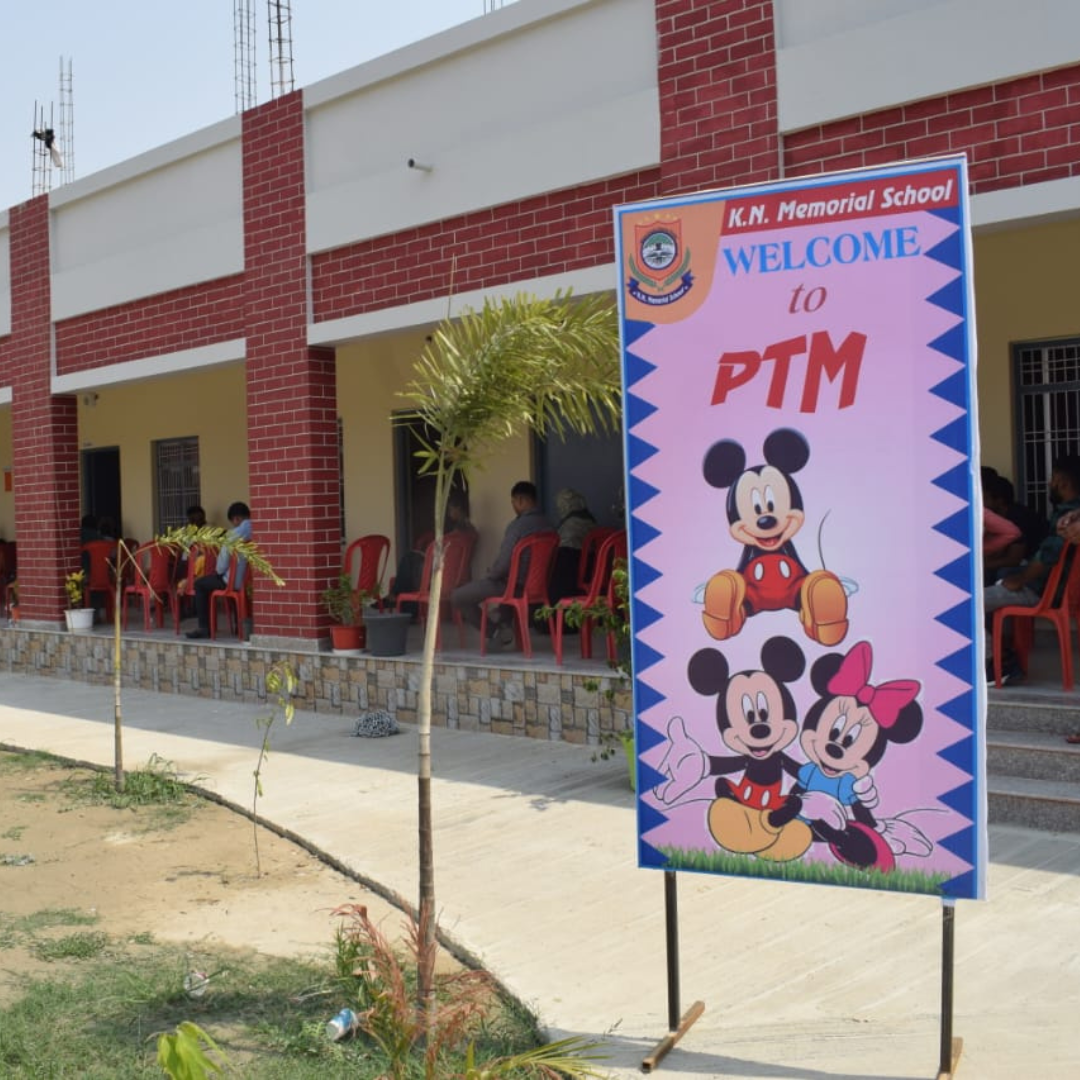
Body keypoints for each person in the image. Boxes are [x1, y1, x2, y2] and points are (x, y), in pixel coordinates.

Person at [985, 456, 1080, 687]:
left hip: (1042, 592)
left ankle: (998, 663)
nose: (1050, 483)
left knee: (967, 604)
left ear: (1062, 480)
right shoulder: (1073, 513)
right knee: (1001, 577)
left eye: (1052, 478)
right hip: (1053, 590)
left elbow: (1048, 555)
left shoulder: (1068, 517)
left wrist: (1021, 578)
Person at [451, 480, 551, 641]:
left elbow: (504, 564)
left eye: (513, 502)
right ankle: (503, 621)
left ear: (520, 500)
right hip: (538, 587)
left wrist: (491, 575)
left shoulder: (517, 526)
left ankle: (494, 633)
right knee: (500, 591)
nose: (513, 507)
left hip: (513, 586)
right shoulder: (549, 525)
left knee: (458, 596)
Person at [185, 502, 252, 640]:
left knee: (200, 584)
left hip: (234, 582)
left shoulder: (234, 534)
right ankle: (239, 626)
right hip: (252, 581)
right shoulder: (261, 528)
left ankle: (204, 628)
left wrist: (218, 571)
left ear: (236, 519)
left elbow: (221, 566)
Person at [548, 488, 598, 606]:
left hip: (570, 573)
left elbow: (564, 548)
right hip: (592, 573)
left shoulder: (570, 526)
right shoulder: (592, 522)